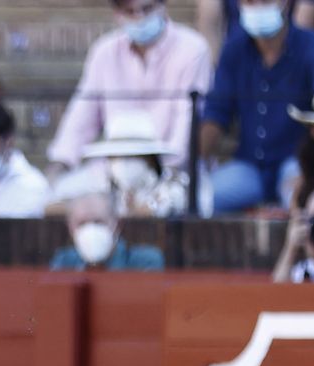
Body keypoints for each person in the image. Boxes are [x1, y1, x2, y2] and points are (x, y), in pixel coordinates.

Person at [200, 0, 314, 212]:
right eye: (250, 1)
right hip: (247, 167)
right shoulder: (234, 49)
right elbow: (216, 113)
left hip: (298, 164)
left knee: (310, 207)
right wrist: (191, 170)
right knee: (197, 200)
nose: (258, 6)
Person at [48, 0, 212, 176]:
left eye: (147, 9)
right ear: (117, 13)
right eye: (130, 11)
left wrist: (161, 177)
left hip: (176, 175)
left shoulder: (192, 49)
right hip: (111, 173)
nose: (139, 18)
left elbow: (186, 126)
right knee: (64, 199)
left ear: (163, 5)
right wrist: (60, 164)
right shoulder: (105, 52)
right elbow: (81, 117)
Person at [80, 110, 190, 217]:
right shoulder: (107, 186)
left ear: (150, 158)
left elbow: (163, 207)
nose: (121, 164)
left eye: (130, 157)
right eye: (114, 157)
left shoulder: (175, 184)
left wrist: (135, 211)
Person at [49, 189, 165, 269]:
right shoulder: (64, 262)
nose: (91, 229)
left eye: (98, 222)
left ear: (117, 225)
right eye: (82, 224)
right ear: (70, 228)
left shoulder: (144, 261)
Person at [197, 0, 314, 51]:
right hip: (236, 57)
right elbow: (209, 25)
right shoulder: (231, 55)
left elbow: (303, 24)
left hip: (287, 57)